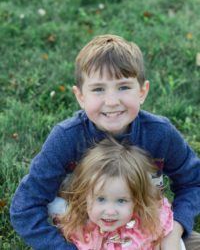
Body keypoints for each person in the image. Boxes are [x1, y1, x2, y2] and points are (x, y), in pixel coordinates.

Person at [10, 34, 200, 250]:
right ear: (81, 96)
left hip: (148, 232)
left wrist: (175, 231)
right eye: (98, 89)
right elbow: (25, 207)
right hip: (84, 236)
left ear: (142, 91)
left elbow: (194, 182)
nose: (111, 101)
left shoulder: (160, 134)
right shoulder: (66, 138)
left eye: (123, 87)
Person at [48, 138, 184, 250]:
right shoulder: (81, 229)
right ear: (85, 198)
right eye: (101, 199)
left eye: (121, 201)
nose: (110, 211)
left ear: (136, 201)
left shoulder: (147, 224)